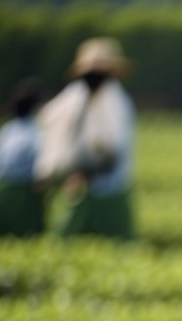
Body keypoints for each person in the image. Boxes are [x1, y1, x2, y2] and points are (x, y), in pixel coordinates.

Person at [36, 37, 137, 240]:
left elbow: (112, 152)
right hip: (81, 189)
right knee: (67, 241)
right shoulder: (76, 95)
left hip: (110, 189)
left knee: (116, 246)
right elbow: (48, 119)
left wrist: (83, 172)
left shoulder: (116, 102)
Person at [0, 77, 45, 239]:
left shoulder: (6, 130)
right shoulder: (37, 134)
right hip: (22, 198)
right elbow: (40, 174)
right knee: (25, 242)